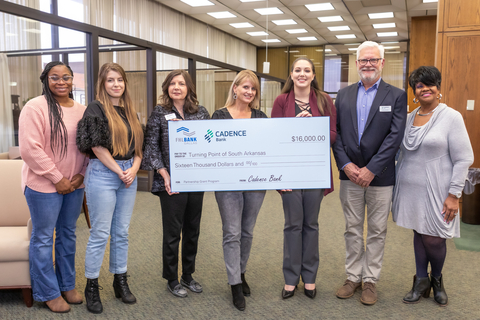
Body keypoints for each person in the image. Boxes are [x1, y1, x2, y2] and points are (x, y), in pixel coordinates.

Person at [332, 41, 407, 305]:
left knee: (376, 230)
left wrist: (372, 169)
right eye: (363, 60)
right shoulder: (343, 95)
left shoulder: (396, 95)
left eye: (373, 60)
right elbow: (336, 134)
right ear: (356, 64)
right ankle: (352, 276)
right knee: (352, 229)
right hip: (350, 177)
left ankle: (370, 281)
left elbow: (395, 137)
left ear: (382, 63)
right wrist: (346, 165)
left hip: (381, 177)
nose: (368, 64)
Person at [392, 66, 473, 306]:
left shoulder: (451, 117)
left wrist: (454, 195)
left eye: (430, 84)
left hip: (439, 190)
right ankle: (420, 280)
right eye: (419, 85)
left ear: (438, 88)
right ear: (414, 92)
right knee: (419, 232)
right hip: (410, 188)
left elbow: (464, 158)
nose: (425, 88)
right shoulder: (408, 118)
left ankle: (436, 279)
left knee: (435, 238)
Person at [19, 61, 88, 313]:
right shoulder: (35, 107)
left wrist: (81, 174)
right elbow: (30, 148)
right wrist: (56, 177)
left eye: (66, 77)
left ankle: (66, 284)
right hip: (43, 185)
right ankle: (48, 292)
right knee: (44, 238)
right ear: (45, 80)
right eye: (54, 77)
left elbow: (87, 146)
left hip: (74, 184)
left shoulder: (82, 110)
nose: (61, 82)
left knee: (68, 234)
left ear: (73, 80)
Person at [76, 63, 144, 314]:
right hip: (105, 174)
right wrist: (119, 171)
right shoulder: (95, 109)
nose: (116, 84)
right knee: (100, 233)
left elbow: (139, 147)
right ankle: (91, 286)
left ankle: (120, 280)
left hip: (129, 174)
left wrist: (134, 169)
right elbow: (96, 146)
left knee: (122, 232)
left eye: (120, 80)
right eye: (110, 80)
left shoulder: (129, 111)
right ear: (102, 84)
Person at [271, 58, 337, 300]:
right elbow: (275, 136)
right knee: (292, 225)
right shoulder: (282, 101)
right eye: (297, 70)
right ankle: (290, 279)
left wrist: (313, 128)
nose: (302, 74)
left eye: (306, 70)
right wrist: (293, 127)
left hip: (314, 171)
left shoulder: (324, 100)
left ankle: (309, 277)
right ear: (291, 74)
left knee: (311, 225)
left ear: (312, 75)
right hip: (289, 171)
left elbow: (332, 135)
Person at [141, 70, 210, 298]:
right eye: (172, 83)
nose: (177, 87)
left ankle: (187, 275)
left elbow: (209, 144)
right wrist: (164, 173)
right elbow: (151, 147)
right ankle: (171, 278)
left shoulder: (201, 113)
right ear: (166, 87)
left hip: (195, 180)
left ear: (189, 87)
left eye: (181, 83)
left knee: (192, 231)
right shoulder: (160, 113)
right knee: (173, 233)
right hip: (170, 182)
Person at [211, 70, 267, 311]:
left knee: (247, 231)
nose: (249, 92)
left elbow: (269, 149)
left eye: (253, 89)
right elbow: (210, 149)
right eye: (245, 87)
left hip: (255, 183)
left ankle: (241, 272)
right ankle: (234, 283)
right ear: (235, 89)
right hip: (227, 184)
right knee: (232, 232)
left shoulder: (261, 117)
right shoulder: (219, 117)